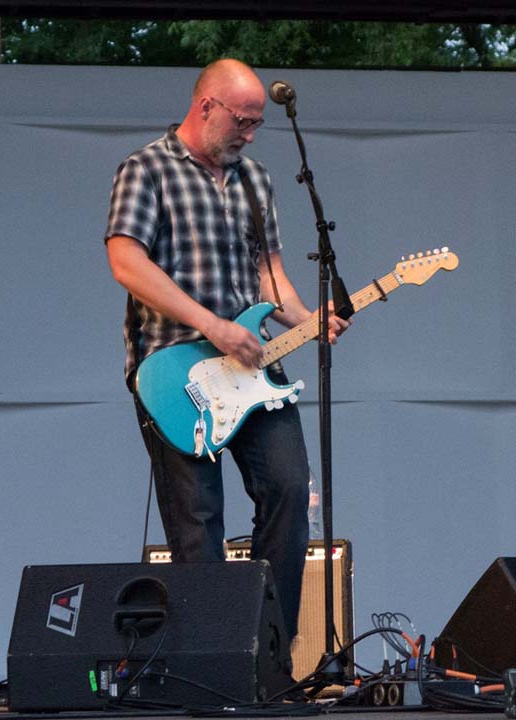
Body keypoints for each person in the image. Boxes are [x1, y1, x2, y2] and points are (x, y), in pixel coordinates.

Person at [105, 59, 350, 645]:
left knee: (291, 492)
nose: (248, 132)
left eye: (258, 123)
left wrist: (307, 319)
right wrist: (212, 326)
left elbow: (270, 277)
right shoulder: (147, 169)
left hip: (254, 370)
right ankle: (208, 665)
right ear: (206, 105)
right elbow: (125, 261)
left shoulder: (255, 180)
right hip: (175, 373)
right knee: (197, 527)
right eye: (241, 120)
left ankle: (268, 654)